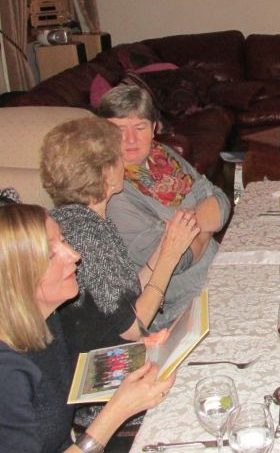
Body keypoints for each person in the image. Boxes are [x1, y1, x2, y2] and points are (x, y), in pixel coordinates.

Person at [0, 203, 175, 452]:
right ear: (15, 277)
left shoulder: (44, 320)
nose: (74, 255)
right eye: (51, 254)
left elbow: (65, 378)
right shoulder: (7, 373)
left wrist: (131, 355)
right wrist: (117, 411)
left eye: (63, 241)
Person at [39, 117, 198, 354]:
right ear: (106, 173)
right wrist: (170, 256)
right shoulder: (84, 234)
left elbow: (126, 296)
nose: (124, 163)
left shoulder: (82, 220)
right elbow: (132, 328)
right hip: (101, 361)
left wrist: (163, 247)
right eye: (118, 157)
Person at [97, 84, 230, 328]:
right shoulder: (113, 193)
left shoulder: (162, 156)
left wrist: (186, 229)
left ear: (154, 129)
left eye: (140, 127)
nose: (130, 139)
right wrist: (204, 222)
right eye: (119, 130)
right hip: (182, 308)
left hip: (219, 276)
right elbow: (175, 260)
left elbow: (221, 200)